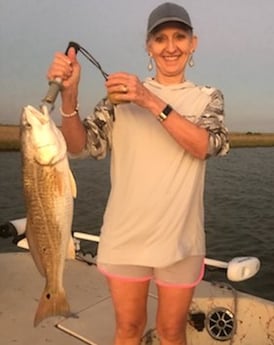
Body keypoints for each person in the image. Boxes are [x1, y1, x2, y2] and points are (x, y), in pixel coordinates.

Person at [47, 2, 229, 344]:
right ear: (148, 46)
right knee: (128, 330)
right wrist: (69, 97)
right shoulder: (119, 97)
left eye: (179, 37)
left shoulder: (207, 97)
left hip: (182, 242)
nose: (170, 46)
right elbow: (81, 146)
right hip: (124, 239)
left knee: (172, 332)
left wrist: (149, 100)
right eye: (160, 38)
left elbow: (207, 145)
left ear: (194, 44)